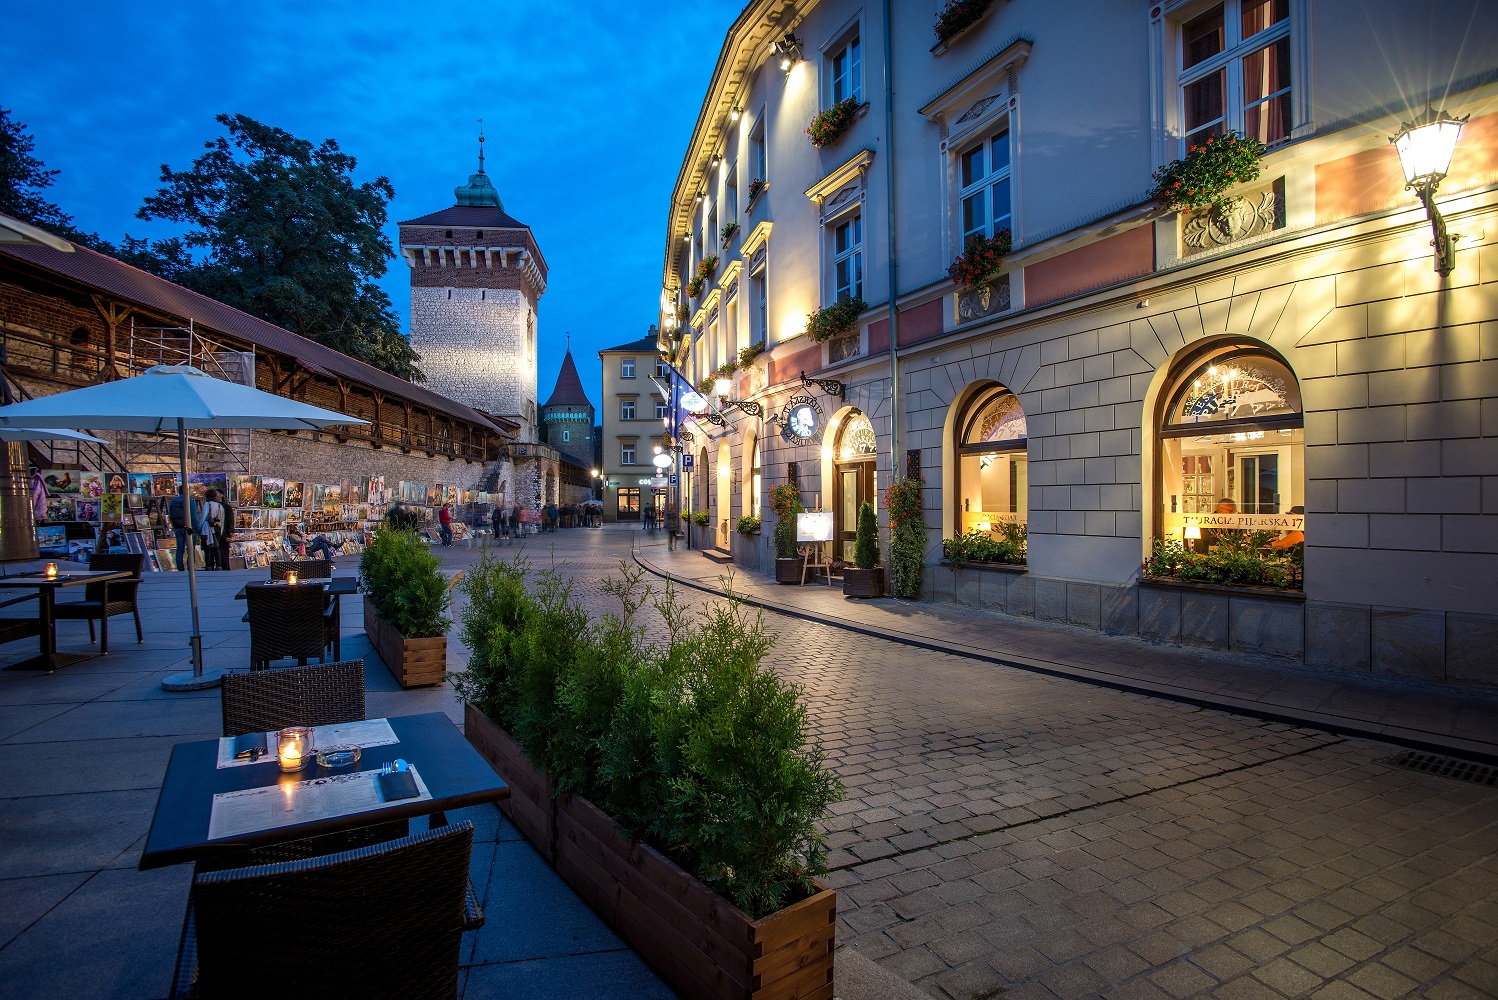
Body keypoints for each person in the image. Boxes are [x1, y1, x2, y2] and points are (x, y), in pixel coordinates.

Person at [166, 487, 206, 572]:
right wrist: (198, 530)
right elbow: (193, 517)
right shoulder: (190, 502)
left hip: (178, 527)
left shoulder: (173, 503)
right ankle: (190, 567)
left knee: (180, 548)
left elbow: (171, 516)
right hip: (189, 529)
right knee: (191, 549)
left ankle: (180, 567)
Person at [200, 490, 226, 570]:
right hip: (217, 528)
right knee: (216, 547)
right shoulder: (219, 506)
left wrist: (199, 528)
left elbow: (203, 517)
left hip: (208, 528)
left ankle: (209, 565)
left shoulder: (207, 505)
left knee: (207, 548)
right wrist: (221, 530)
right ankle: (218, 565)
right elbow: (222, 519)